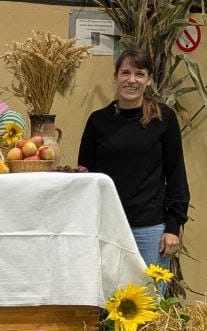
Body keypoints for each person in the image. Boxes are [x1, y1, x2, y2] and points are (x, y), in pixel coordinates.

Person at [76, 49, 190, 268]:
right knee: (107, 299)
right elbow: (85, 176)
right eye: (125, 73)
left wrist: (173, 227)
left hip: (150, 228)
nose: (131, 80)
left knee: (149, 298)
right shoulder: (98, 121)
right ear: (116, 78)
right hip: (107, 227)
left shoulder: (163, 118)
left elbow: (176, 174)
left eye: (139, 74)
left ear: (149, 80)